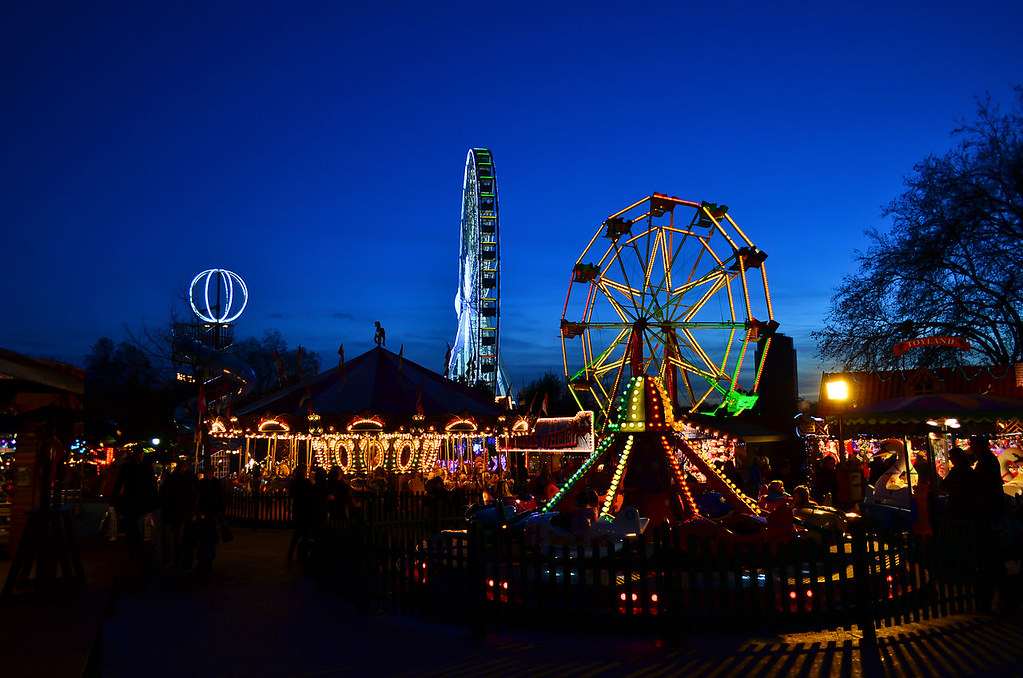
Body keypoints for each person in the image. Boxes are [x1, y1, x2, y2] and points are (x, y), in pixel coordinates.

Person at [110, 446, 158, 560]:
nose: (140, 458)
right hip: (135, 500)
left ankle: (136, 548)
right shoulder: (139, 467)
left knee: (134, 525)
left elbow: (152, 484)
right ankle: (137, 548)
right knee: (135, 525)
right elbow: (152, 484)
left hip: (135, 501)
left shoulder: (129, 467)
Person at [160, 459, 196, 568]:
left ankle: (174, 558)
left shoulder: (179, 479)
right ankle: (173, 558)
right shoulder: (185, 479)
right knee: (173, 537)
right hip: (176, 512)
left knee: (176, 537)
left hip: (178, 512)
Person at [194, 467, 225, 583]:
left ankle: (207, 560)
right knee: (204, 537)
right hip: (204, 513)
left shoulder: (215, 484)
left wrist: (219, 511)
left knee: (209, 537)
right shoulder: (202, 484)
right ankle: (204, 559)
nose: (208, 474)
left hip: (211, 513)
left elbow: (219, 498)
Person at [287, 465, 316, 562]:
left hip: (297, 509)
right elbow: (312, 493)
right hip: (305, 510)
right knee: (304, 534)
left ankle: (293, 553)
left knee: (299, 533)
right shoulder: (306, 482)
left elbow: (291, 494)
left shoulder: (293, 482)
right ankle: (301, 554)